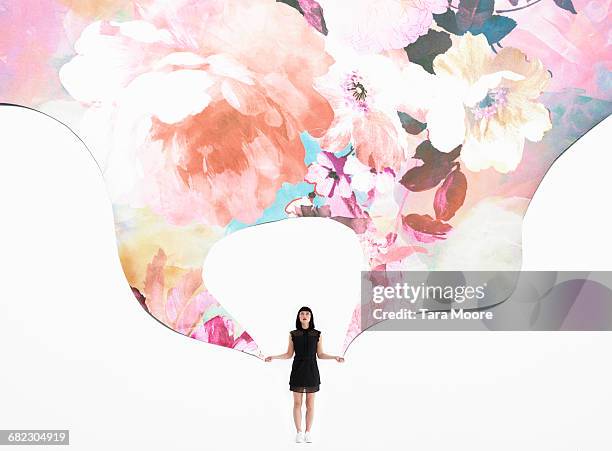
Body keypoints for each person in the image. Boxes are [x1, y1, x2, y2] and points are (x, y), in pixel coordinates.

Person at [264, 306, 345, 443]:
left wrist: (334, 357)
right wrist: (274, 357)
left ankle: (308, 432)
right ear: (299, 317)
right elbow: (289, 354)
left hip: (312, 370)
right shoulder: (293, 334)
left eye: (307, 313)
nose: (304, 315)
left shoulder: (317, 334)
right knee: (297, 403)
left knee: (310, 405)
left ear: (311, 317)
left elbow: (320, 354)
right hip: (297, 370)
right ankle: (299, 432)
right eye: (302, 313)